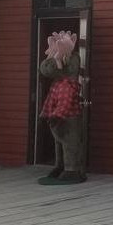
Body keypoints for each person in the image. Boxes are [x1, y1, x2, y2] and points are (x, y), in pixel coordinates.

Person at [38, 31, 86, 185]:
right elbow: (51, 100)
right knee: (59, 142)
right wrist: (46, 113)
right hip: (58, 118)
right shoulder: (57, 84)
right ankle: (60, 166)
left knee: (70, 143)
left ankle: (72, 169)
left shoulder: (67, 84)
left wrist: (57, 115)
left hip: (68, 117)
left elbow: (65, 102)